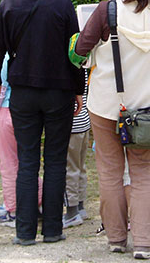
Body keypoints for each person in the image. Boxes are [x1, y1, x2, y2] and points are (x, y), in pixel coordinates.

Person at [70, 0, 150, 259]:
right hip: (149, 106)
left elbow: (78, 53)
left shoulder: (108, 10)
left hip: (106, 104)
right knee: (143, 172)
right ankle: (144, 242)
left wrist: (73, 43)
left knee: (110, 172)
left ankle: (116, 238)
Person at [0, 0, 84, 245]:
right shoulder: (63, 5)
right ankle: (53, 229)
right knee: (55, 160)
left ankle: (25, 232)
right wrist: (79, 89)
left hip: (23, 93)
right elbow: (75, 52)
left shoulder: (8, 4)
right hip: (59, 92)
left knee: (27, 161)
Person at [0, 54, 43, 228]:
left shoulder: (9, 55)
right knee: (29, 162)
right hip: (32, 113)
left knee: (9, 164)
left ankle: (13, 210)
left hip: (8, 112)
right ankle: (37, 202)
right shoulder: (38, 49)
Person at [63, 69, 91, 228]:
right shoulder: (84, 67)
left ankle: (72, 211)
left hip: (72, 125)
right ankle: (80, 205)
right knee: (80, 167)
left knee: (70, 168)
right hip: (84, 123)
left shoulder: (72, 66)